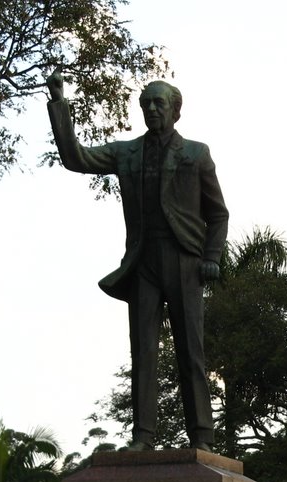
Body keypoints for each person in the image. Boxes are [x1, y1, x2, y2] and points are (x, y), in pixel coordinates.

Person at [45, 69, 229, 451]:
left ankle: (202, 438)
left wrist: (211, 256)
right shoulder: (126, 152)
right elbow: (75, 158)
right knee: (142, 350)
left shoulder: (196, 153)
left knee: (190, 351)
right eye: (145, 103)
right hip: (143, 261)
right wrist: (59, 102)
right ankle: (143, 437)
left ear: (176, 110)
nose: (150, 109)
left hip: (183, 259)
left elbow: (218, 214)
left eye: (158, 103)